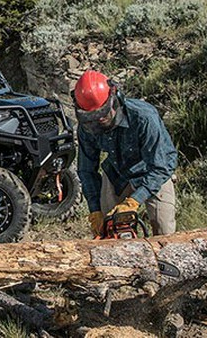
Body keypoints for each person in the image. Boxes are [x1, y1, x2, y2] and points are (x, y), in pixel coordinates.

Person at [73, 70, 178, 237]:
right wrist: (95, 210)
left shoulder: (143, 118)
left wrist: (134, 201)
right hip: (117, 173)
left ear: (115, 98)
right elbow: (86, 171)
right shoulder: (87, 128)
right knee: (109, 231)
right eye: (93, 117)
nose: (99, 121)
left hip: (153, 171)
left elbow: (161, 167)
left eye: (103, 114)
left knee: (164, 231)